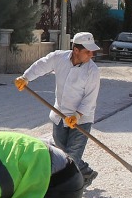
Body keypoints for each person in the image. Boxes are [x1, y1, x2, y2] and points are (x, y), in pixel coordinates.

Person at [15, 32, 102, 185]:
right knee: (62, 152)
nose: (91, 54)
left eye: (92, 51)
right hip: (59, 115)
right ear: (76, 50)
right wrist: (25, 77)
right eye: (87, 51)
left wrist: (77, 115)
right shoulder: (58, 58)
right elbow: (41, 65)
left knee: (70, 157)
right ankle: (86, 172)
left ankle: (66, 186)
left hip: (82, 119)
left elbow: (90, 98)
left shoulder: (92, 71)